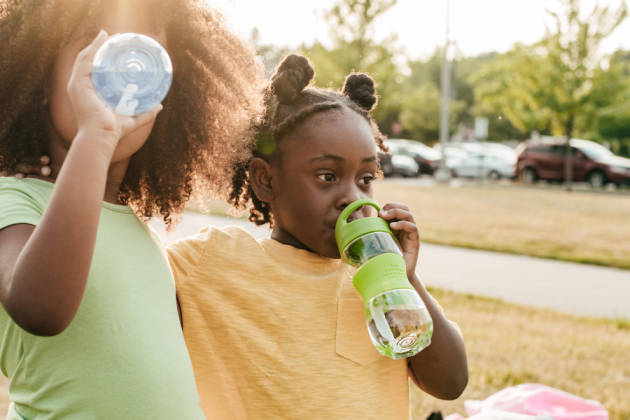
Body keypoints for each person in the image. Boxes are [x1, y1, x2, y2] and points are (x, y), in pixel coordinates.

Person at [0, 1, 264, 419]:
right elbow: (41, 309)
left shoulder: (141, 231)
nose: (121, 77)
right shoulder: (14, 199)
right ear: (42, 83)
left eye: (142, 60)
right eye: (97, 53)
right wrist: (97, 135)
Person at [167, 55, 468, 419]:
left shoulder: (381, 283)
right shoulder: (209, 261)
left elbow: (450, 383)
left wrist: (406, 280)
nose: (352, 197)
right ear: (266, 180)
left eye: (366, 179)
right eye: (327, 176)